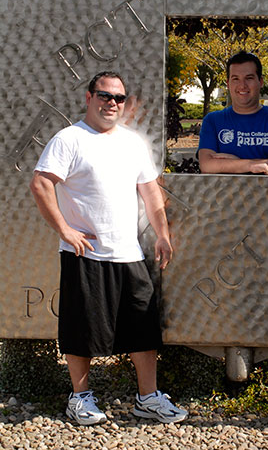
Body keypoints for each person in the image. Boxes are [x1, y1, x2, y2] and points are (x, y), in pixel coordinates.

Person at [30, 71, 188, 426]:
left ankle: (148, 398)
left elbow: (151, 192)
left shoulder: (133, 143)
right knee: (81, 329)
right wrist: (65, 230)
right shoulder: (69, 139)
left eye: (118, 98)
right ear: (89, 98)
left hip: (129, 253)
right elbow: (40, 184)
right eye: (105, 95)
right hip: (85, 253)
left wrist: (162, 234)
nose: (112, 103)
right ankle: (80, 398)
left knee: (143, 327)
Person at [198, 51, 268, 174]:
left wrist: (236, 163)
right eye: (235, 79)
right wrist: (250, 165)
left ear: (261, 82)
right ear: (228, 84)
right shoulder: (213, 121)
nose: (242, 85)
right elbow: (206, 165)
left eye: (249, 78)